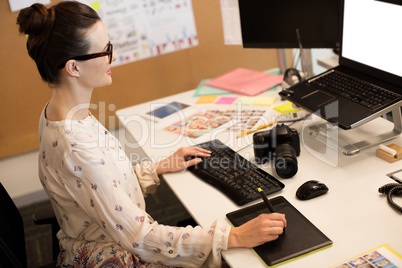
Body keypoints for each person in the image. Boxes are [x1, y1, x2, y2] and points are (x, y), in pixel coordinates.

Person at [16, 2, 286, 267]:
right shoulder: (76, 147)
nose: (114, 57)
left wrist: (157, 168)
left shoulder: (60, 112)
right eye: (105, 51)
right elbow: (140, 238)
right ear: (74, 67)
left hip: (105, 235)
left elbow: (99, 188)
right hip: (109, 255)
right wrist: (234, 236)